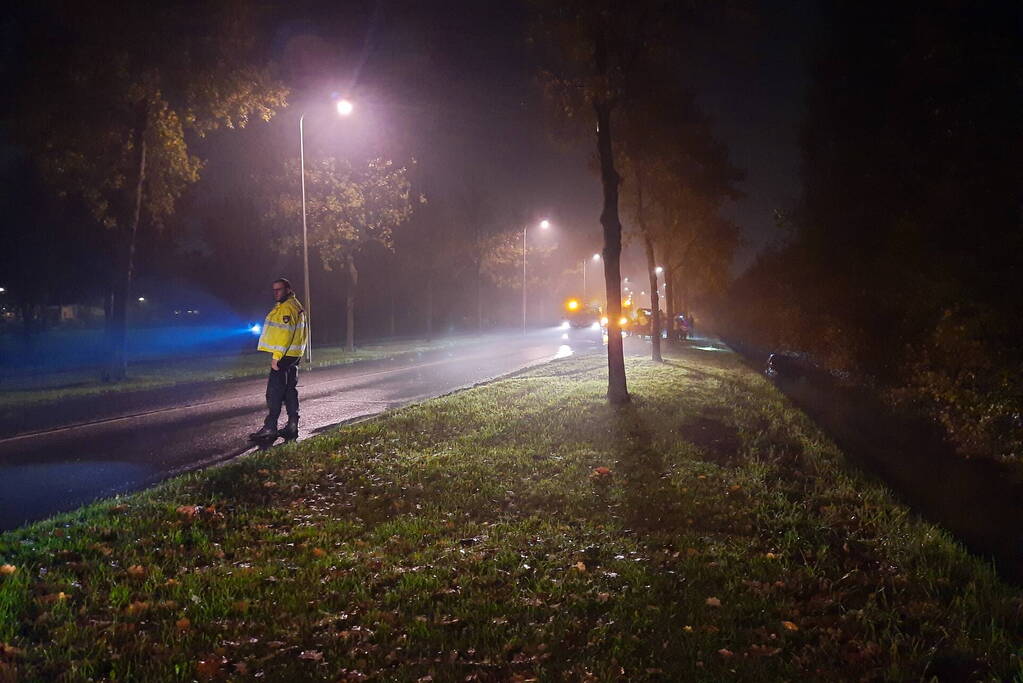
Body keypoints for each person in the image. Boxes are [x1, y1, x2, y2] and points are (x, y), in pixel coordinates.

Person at [249, 278, 307, 441]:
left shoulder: (287, 308)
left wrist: (276, 358)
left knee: (274, 392)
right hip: (294, 355)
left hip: (284, 356)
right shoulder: (295, 305)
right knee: (289, 390)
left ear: (288, 289)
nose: (276, 293)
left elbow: (284, 335)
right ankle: (292, 425)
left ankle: (270, 428)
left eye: (279, 289)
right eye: (274, 290)